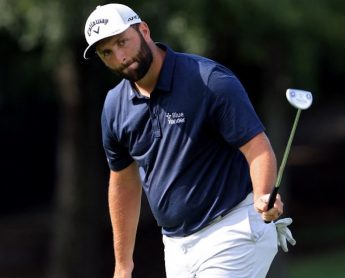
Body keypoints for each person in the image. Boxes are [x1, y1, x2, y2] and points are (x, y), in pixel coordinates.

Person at [83, 3, 295, 278]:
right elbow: (123, 181)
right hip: (175, 246)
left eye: (123, 42)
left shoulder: (207, 80)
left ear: (144, 30)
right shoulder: (115, 106)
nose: (120, 57)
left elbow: (256, 146)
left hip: (233, 228)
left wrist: (263, 193)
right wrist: (123, 265)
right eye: (107, 52)